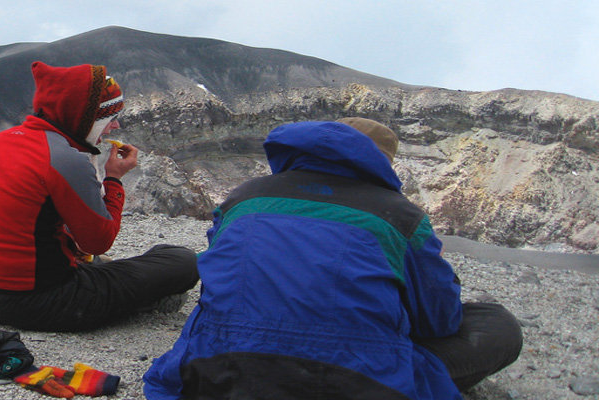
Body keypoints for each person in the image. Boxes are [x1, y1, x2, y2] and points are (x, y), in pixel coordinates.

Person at [143, 118, 523, 399]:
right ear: (381, 164)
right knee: (497, 324)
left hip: (217, 374)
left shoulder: (243, 198)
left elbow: (219, 281)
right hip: (351, 384)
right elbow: (437, 320)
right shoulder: (401, 216)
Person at [0, 61, 199, 332]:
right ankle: (143, 302)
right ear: (85, 118)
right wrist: (114, 179)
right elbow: (98, 241)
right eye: (108, 118)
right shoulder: (64, 159)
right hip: (37, 302)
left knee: (86, 256)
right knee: (182, 261)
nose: (115, 126)